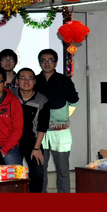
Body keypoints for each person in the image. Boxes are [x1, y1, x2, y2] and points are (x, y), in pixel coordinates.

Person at [34, 48, 79, 193]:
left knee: (63, 170)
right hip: (40, 132)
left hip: (60, 132)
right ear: (39, 63)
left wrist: (63, 118)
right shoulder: (35, 81)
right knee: (40, 169)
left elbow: (74, 102)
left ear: (56, 62)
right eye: (43, 61)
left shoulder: (64, 80)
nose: (47, 63)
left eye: (50, 60)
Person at [15, 67, 49, 193]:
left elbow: (42, 127)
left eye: (30, 78)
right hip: (13, 142)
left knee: (37, 174)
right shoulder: (10, 95)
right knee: (13, 175)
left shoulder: (42, 100)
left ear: (34, 81)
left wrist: (37, 148)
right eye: (22, 78)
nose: (26, 81)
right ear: (17, 81)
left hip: (33, 142)